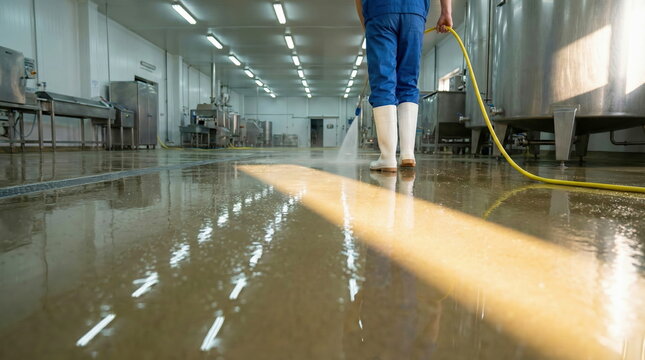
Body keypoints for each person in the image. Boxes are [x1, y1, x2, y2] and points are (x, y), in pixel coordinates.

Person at [355, 0, 453, 172]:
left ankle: (387, 158)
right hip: (414, 12)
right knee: (408, 81)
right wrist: (446, 12)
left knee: (383, 82)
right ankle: (408, 154)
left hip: (380, 11)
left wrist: (366, 23)